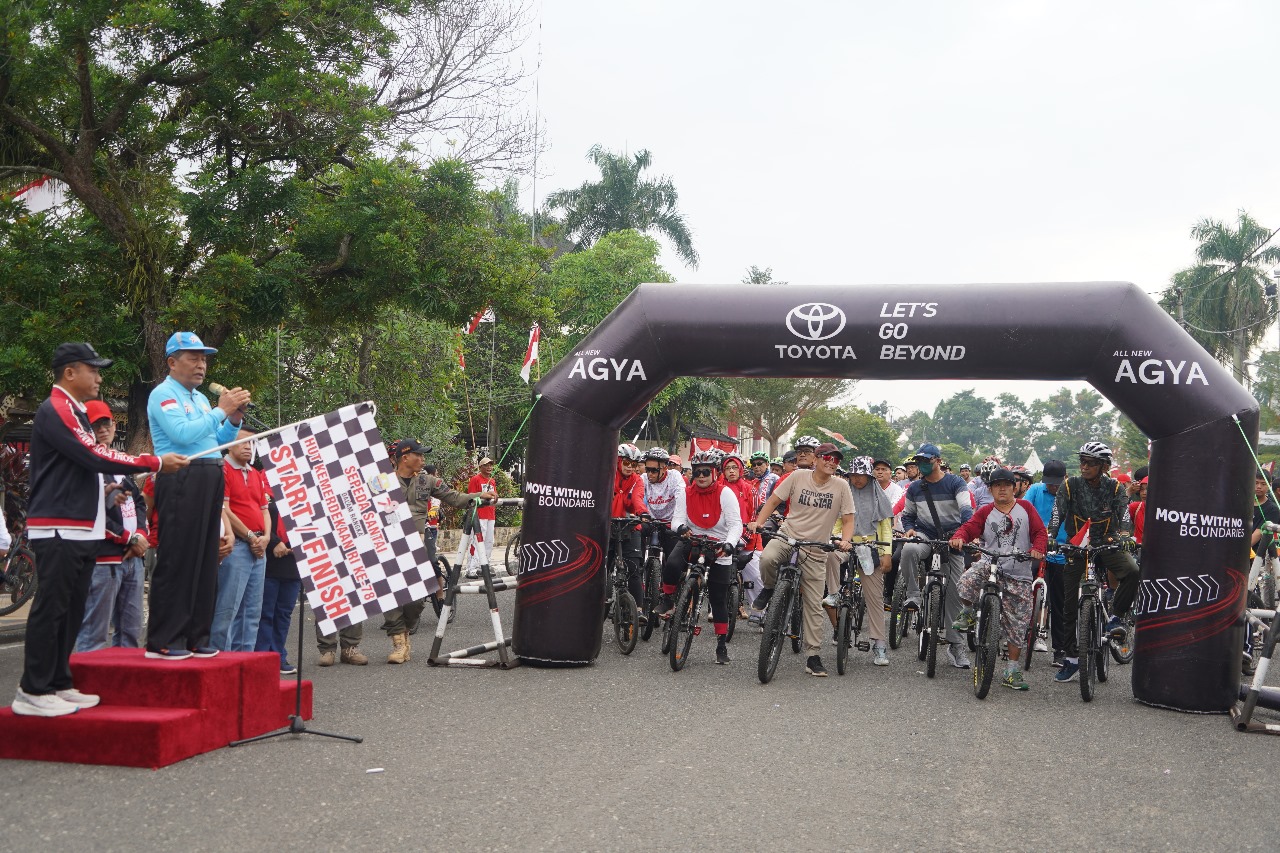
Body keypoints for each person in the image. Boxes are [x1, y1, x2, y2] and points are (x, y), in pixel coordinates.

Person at [15, 343, 185, 717]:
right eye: (93, 369)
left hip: (80, 528)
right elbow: (93, 456)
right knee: (53, 608)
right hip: (59, 527)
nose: (100, 377)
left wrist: (106, 492)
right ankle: (33, 689)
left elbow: (81, 467)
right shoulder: (57, 408)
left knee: (72, 608)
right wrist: (154, 461)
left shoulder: (73, 410)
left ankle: (58, 682)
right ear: (70, 372)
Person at [146, 331, 249, 660]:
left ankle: (195, 635)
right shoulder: (163, 394)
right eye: (193, 358)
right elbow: (182, 434)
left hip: (209, 474)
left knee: (206, 558)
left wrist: (232, 419)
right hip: (181, 477)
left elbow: (216, 439)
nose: (201, 365)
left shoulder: (201, 400)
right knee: (178, 557)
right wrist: (221, 410)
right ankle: (165, 639)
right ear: (172, 362)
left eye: (204, 358)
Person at [381, 439, 494, 664]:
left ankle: (405, 629)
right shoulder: (382, 482)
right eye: (419, 455)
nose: (423, 459)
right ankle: (398, 642)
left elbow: (454, 498)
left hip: (419, 544)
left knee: (416, 599)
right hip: (389, 546)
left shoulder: (428, 480)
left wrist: (478, 497)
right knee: (392, 594)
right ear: (405, 457)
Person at [748, 442, 854, 678]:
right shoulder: (797, 477)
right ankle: (768, 588)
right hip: (789, 536)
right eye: (826, 457)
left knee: (814, 605)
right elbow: (774, 501)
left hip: (817, 548)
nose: (831, 462)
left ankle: (813, 656)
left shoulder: (841, 486)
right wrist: (759, 522)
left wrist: (846, 540)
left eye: (835, 459)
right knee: (767, 558)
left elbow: (848, 519)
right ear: (815, 459)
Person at [1048, 441, 1140, 684]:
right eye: (1082, 462)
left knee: (1132, 570)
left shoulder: (1115, 487)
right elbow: (1058, 512)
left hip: (1106, 543)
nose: (1084, 466)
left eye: (1090, 463)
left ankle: (1116, 617)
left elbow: (1123, 514)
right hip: (1077, 545)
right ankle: (1071, 658)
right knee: (1069, 603)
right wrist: (1050, 535)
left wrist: (1124, 536)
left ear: (1103, 466)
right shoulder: (1071, 485)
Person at [949, 468, 1047, 691]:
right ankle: (968, 612)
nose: (1002, 488)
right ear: (990, 489)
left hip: (1018, 570)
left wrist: (1038, 549)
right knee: (967, 579)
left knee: (1019, 622)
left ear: (1015, 488)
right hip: (989, 563)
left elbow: (1040, 532)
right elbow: (969, 527)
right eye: (997, 485)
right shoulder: (985, 511)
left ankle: (1012, 670)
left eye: (1006, 485)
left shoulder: (1026, 508)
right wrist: (958, 538)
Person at [75, 401, 150, 652]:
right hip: (103, 560)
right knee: (93, 633)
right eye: (95, 425)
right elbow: (91, 513)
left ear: (114, 425)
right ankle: (85, 685)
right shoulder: (86, 466)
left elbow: (139, 503)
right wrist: (130, 538)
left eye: (106, 423)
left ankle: (124, 686)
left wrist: (140, 534)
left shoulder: (121, 467)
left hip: (132, 560)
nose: (102, 429)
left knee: (131, 631)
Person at [660, 449, 743, 665]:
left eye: (706, 472)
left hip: (719, 545)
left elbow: (735, 525)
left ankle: (721, 645)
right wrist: (681, 528)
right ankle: (668, 599)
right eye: (697, 473)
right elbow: (676, 519)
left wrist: (729, 544)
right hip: (693, 538)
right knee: (671, 563)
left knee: (718, 598)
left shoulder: (726, 493)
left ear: (715, 472)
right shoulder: (685, 493)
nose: (701, 476)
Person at [897, 442, 974, 669]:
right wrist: (909, 528)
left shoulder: (955, 482)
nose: (922, 465)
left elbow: (966, 511)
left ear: (938, 461)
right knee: (909, 548)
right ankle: (913, 595)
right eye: (919, 461)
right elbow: (908, 515)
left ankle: (956, 645)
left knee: (954, 595)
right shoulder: (914, 488)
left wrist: (962, 534)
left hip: (953, 539)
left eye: (926, 461)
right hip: (925, 535)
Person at [825, 456, 894, 666]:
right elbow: (837, 521)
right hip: (845, 544)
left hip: (871, 547)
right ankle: (835, 594)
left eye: (861, 475)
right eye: (853, 475)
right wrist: (834, 539)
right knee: (830, 556)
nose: (856, 479)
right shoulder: (845, 493)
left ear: (869, 475)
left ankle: (879, 646)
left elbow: (885, 528)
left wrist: (886, 553)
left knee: (874, 597)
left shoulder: (878, 496)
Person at [211, 427, 270, 652]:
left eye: (251, 443)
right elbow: (224, 508)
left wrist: (265, 538)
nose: (248, 447)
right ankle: (222, 664)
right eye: (243, 442)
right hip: (237, 547)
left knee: (252, 613)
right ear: (228, 443)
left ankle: (245, 664)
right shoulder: (222, 469)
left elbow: (264, 509)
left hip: (258, 547)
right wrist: (250, 536)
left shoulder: (255, 473)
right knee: (228, 610)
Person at [1024, 460, 1069, 667]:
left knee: (1060, 603)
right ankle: (1022, 633)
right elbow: (1023, 511)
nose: (1053, 487)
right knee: (1024, 591)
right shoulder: (1035, 490)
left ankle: (1060, 649)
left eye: (1056, 484)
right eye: (1049, 483)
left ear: (1064, 479)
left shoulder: (1070, 494)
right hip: (1037, 549)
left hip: (1061, 553)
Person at [257, 497, 303, 675]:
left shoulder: (307, 509)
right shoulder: (271, 506)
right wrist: (275, 542)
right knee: (265, 613)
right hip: (270, 565)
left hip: (294, 568)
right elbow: (260, 524)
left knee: (284, 614)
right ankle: (262, 655)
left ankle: (278, 655)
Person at [720, 453, 763, 615]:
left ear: (741, 470)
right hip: (724, 540)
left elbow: (755, 516)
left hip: (750, 541)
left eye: (734, 468)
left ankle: (760, 615)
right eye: (727, 468)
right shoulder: (718, 488)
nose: (731, 471)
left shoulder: (750, 489)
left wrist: (744, 538)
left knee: (756, 578)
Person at [610, 443, 650, 609]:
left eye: (634, 464)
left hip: (629, 525)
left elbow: (637, 499)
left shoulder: (637, 481)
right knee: (602, 566)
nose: (630, 467)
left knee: (634, 568)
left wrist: (643, 513)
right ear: (618, 461)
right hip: (608, 524)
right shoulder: (609, 475)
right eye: (626, 463)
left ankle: (638, 609)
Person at [641, 447, 684, 564]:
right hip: (651, 521)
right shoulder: (644, 478)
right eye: (647, 469)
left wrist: (679, 521)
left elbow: (681, 497)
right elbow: (636, 496)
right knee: (636, 532)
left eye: (654, 470)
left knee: (673, 562)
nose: (649, 474)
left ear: (665, 468)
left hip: (670, 523)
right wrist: (640, 513)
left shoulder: (674, 476)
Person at [459, 456, 499, 578]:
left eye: (490, 465)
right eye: (486, 465)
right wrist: (483, 497)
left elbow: (494, 496)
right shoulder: (475, 479)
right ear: (480, 467)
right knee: (476, 541)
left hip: (490, 515)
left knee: (489, 541)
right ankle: (471, 568)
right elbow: (470, 497)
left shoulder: (492, 481)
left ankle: (484, 567)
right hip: (478, 515)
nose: (489, 467)